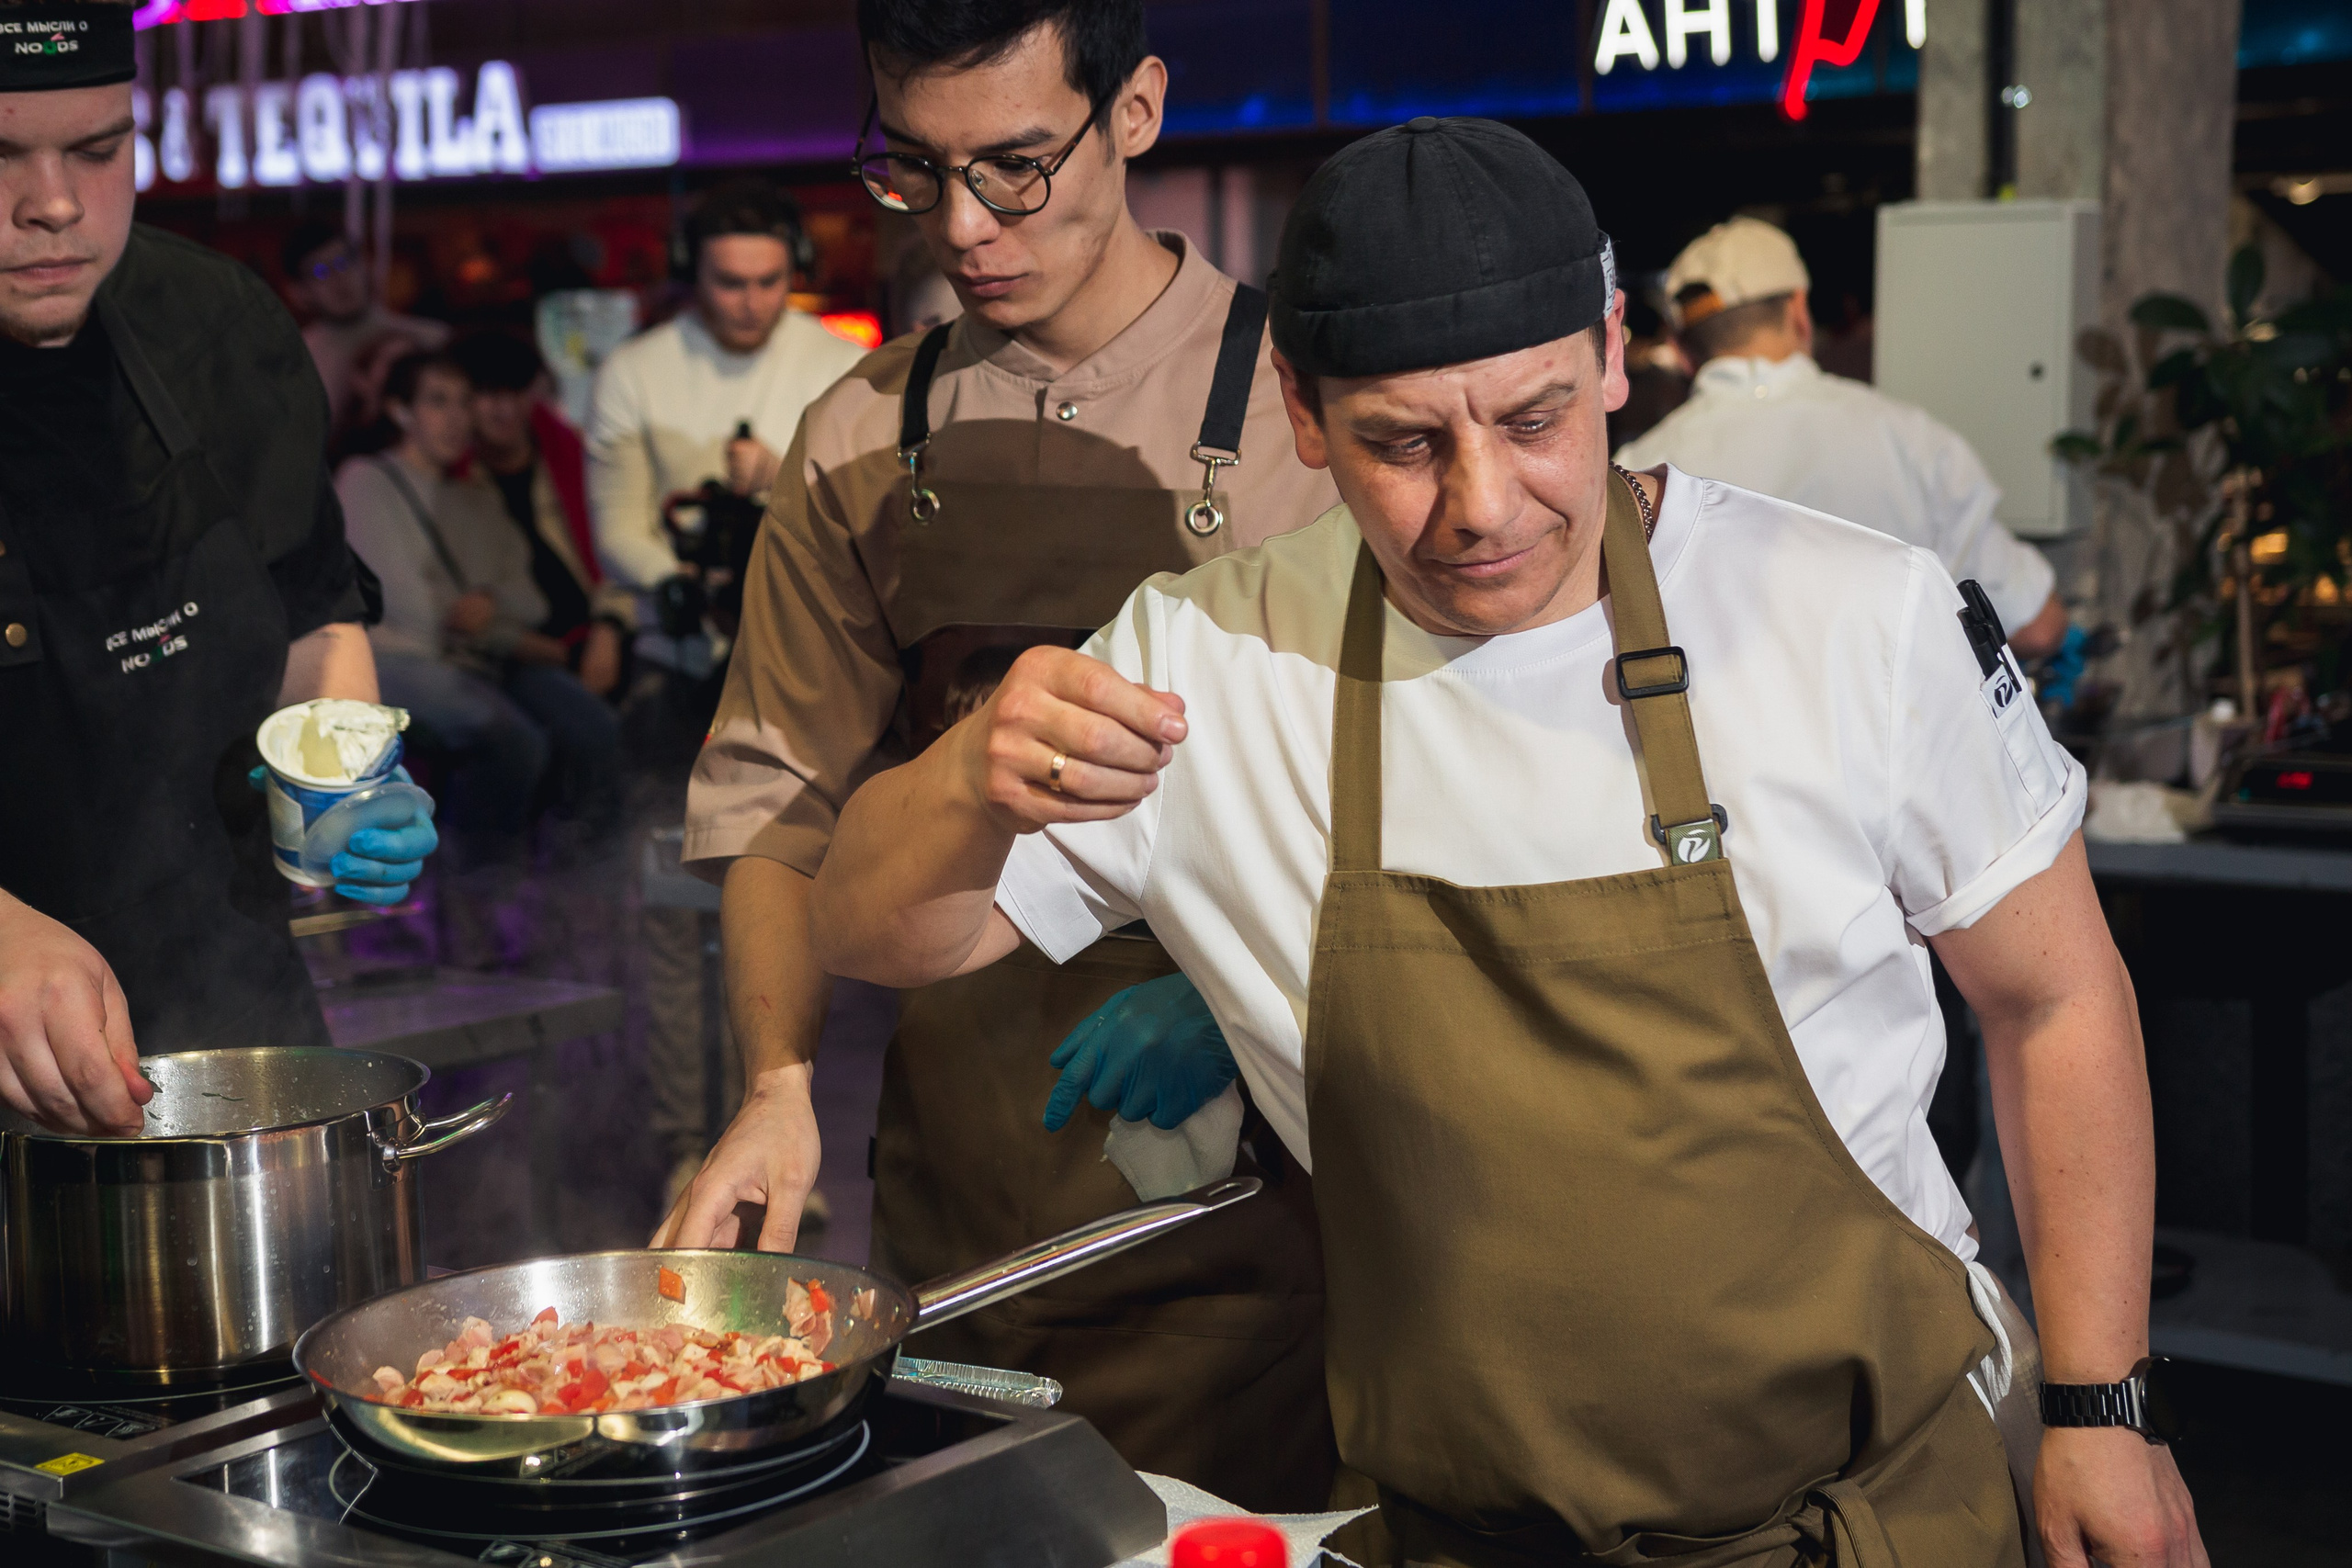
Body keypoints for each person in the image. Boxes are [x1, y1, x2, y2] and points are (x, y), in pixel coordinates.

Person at [809, 119, 2210, 1568]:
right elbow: (871, 931)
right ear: (1301, 411)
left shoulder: (1852, 614)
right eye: (1403, 443)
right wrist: (969, 776)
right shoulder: (1211, 659)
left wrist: (2102, 1403)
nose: (1482, 505)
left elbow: (2055, 996)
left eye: (1535, 420)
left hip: (1873, 1506)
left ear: (1612, 355)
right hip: (1465, 1530)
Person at [662, 0, 1341, 1511]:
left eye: (1017, 165)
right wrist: (777, 1082)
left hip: (1258, 1209)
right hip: (962, 1188)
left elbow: (1429, 789)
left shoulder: (1309, 411)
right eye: (916, 166)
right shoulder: (864, 431)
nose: (962, 224)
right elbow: (782, 804)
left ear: (1137, 109)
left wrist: (1242, 986)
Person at [0, 0, 435, 1134]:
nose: (54, 204)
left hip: (236, 1018)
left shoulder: (218, 326)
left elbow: (312, 610)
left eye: (99, 150)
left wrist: (347, 774)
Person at [585, 177, 865, 1212]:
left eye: (768, 281)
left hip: (801, 674)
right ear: (689, 277)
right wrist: (683, 578)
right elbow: (615, 527)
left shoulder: (840, 368)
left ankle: (785, 1134)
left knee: (793, 902)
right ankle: (684, 1144)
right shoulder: (635, 371)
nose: (749, 302)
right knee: (673, 920)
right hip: (678, 669)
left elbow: (867, 514)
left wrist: (775, 477)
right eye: (727, 282)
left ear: (796, 271)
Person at [1617, 216, 2069, 657]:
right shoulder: (1912, 440)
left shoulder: (1636, 471)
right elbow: (2036, 626)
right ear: (1799, 312)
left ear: (1680, 349)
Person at [337, 352, 620, 855]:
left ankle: (578, 872)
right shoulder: (367, 480)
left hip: (479, 658)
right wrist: (486, 621)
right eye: (438, 402)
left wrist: (488, 604)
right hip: (399, 659)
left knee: (590, 724)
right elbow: (411, 606)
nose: (456, 418)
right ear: (401, 412)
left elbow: (529, 599)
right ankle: (476, 884)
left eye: (464, 403)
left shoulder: (474, 496)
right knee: (512, 740)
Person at [452, 331, 630, 702]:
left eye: (516, 392)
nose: (505, 411)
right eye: (488, 395)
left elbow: (620, 547)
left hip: (601, 628)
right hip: (516, 655)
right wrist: (560, 654)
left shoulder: (571, 454)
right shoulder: (453, 481)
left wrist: (609, 627)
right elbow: (466, 611)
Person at [282, 218, 448, 447]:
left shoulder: (431, 337)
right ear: (298, 292)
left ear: (366, 262)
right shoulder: (293, 362)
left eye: (344, 262)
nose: (339, 278)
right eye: (321, 272)